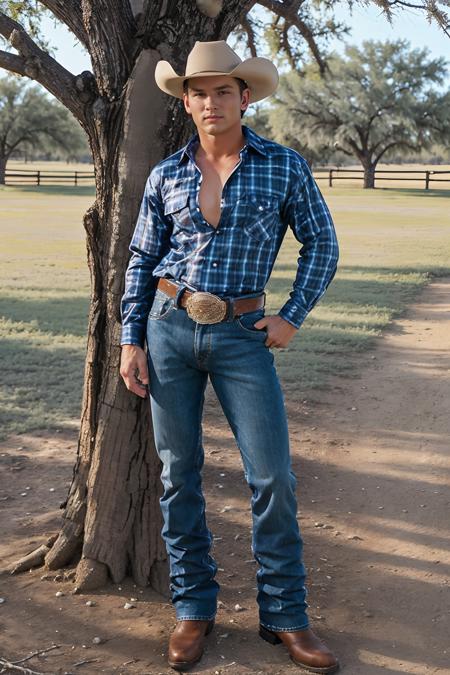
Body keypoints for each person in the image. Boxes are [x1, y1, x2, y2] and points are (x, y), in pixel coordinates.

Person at [120, 40, 340, 673]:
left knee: (271, 475)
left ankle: (286, 618)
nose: (211, 102)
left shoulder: (282, 165)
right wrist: (131, 338)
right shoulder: (167, 175)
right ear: (186, 103)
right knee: (177, 473)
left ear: (244, 98)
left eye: (224, 91)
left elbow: (321, 245)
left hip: (245, 335)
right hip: (167, 329)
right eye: (200, 93)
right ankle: (194, 609)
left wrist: (292, 317)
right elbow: (141, 261)